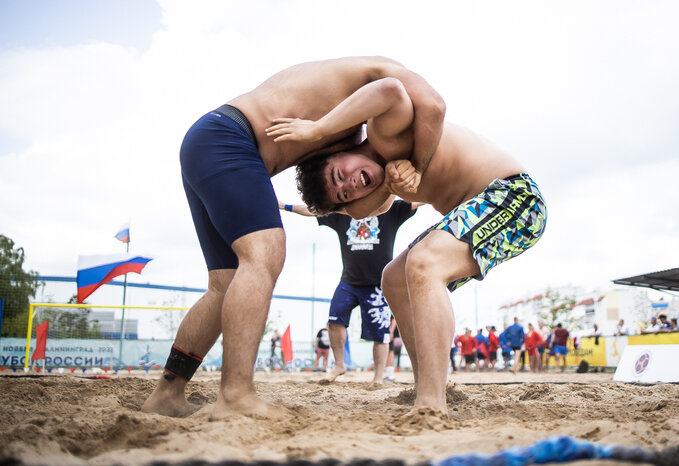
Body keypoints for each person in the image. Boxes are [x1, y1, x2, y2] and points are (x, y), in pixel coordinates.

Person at [142, 56, 445, 420]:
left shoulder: (350, 129)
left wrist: (400, 180)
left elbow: (360, 210)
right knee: (266, 252)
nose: (349, 182)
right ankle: (236, 393)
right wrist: (421, 167)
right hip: (230, 137)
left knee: (224, 285)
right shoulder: (382, 80)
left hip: (214, 143)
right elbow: (431, 104)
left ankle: (168, 392)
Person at [270, 72, 547, 414]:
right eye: (344, 193)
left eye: (341, 174)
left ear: (340, 151)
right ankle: (426, 384)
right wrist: (383, 184)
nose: (352, 184)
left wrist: (318, 130)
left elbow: (393, 90)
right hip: (476, 207)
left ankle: (432, 400)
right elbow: (357, 210)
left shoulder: (384, 132)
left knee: (423, 264)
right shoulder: (377, 183)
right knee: (394, 278)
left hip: (514, 196)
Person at [279, 199, 420, 383]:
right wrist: (285, 206)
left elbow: (421, 199)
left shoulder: (390, 210)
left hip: (378, 284)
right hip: (349, 282)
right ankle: (339, 365)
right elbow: (313, 208)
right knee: (334, 320)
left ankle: (378, 378)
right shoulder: (343, 213)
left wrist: (449, 192)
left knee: (380, 335)